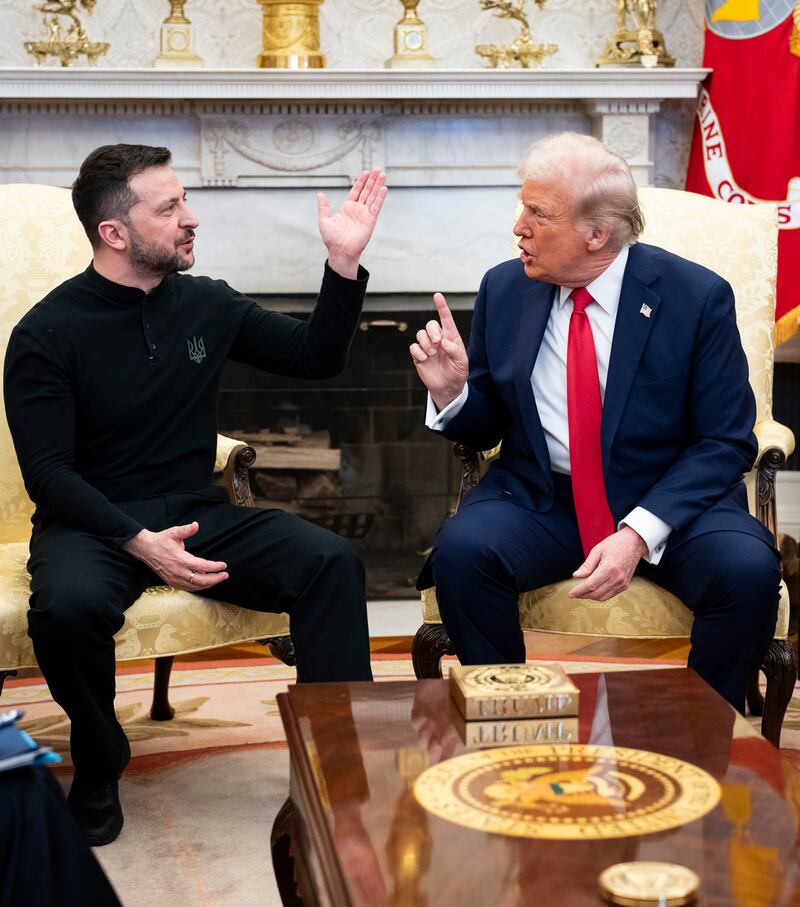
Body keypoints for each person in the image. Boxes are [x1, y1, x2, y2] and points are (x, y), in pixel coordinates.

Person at [3, 143, 387, 846]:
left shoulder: (207, 303)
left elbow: (316, 358)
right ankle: (99, 758)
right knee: (65, 607)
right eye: (170, 207)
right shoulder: (47, 333)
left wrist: (342, 264)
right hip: (90, 523)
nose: (191, 218)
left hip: (195, 513)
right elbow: (50, 474)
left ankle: (337, 758)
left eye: (185, 200)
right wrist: (137, 541)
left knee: (331, 561)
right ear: (114, 233)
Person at [411, 132, 780, 715]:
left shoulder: (695, 297)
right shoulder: (504, 289)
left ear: (596, 234)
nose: (519, 228)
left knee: (747, 571)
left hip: (672, 502)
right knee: (463, 551)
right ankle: (509, 724)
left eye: (538, 213)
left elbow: (724, 441)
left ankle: (707, 736)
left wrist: (638, 534)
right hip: (542, 498)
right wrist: (454, 392)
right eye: (522, 207)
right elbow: (484, 428)